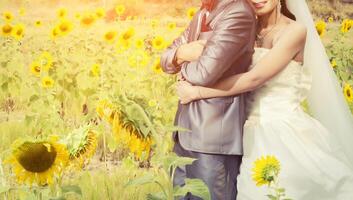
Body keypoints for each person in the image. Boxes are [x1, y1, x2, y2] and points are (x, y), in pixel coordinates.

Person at [176, 0, 353, 199]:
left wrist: (198, 92)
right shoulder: (245, 29)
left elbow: (255, 78)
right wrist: (183, 54)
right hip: (244, 131)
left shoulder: (294, 31)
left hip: (283, 131)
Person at [160, 0, 256, 199]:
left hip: (213, 141)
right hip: (184, 136)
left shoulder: (238, 12)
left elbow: (205, 72)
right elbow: (165, 59)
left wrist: (182, 68)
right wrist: (181, 53)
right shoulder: (202, 12)